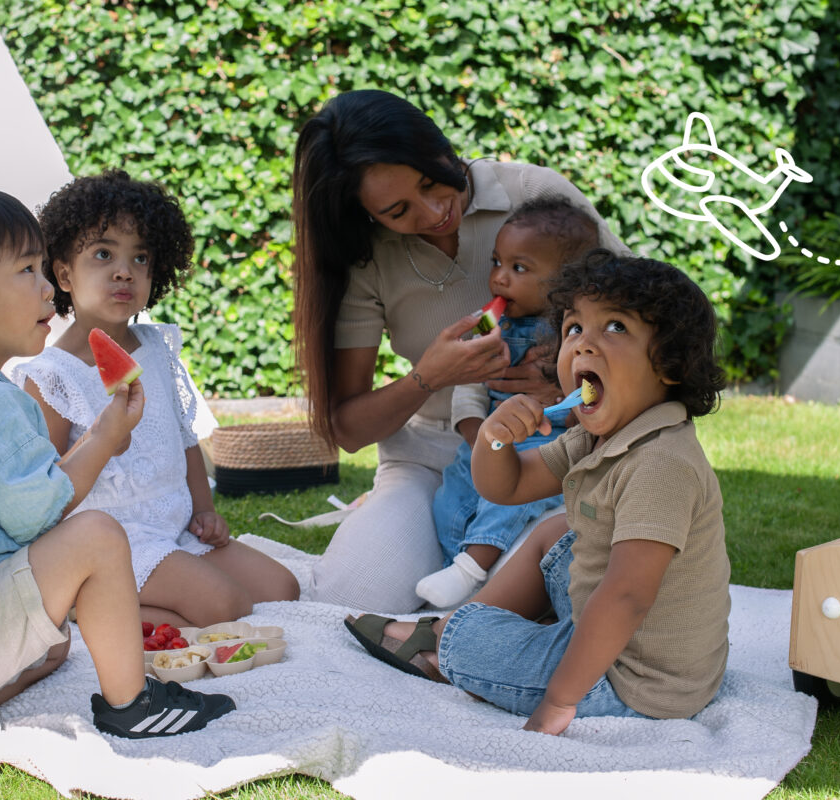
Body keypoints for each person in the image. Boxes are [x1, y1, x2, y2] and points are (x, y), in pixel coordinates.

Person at [0, 186, 235, 739]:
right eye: (28, 271)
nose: (48, 288)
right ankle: (132, 706)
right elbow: (42, 513)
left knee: (55, 646)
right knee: (97, 534)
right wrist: (104, 435)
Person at [344, 250, 731, 735]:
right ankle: (449, 626)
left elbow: (627, 596)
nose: (583, 345)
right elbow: (508, 486)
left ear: (670, 365)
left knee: (473, 641)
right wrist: (495, 438)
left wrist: (560, 700)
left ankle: (446, 644)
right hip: (614, 632)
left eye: (615, 327)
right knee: (555, 535)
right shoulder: (599, 437)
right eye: (574, 328)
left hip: (634, 683)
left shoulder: (660, 463)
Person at [292, 88, 627, 612]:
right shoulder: (366, 258)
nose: (433, 212)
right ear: (365, 215)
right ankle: (411, 534)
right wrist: (428, 377)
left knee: (539, 586)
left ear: (436, 145)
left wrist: (568, 378)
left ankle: (466, 580)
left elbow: (649, 315)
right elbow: (349, 430)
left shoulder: (532, 194)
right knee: (348, 596)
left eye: (431, 181)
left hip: (551, 449)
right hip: (430, 459)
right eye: (398, 210)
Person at [13, 170, 299, 628]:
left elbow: (183, 439)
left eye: (141, 257)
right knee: (226, 607)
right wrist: (103, 440)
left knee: (282, 588)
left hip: (175, 529)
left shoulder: (157, 348)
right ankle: (85, 604)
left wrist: (204, 512)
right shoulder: (51, 376)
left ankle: (141, 603)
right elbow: (46, 493)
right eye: (103, 254)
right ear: (64, 273)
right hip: (115, 541)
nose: (124, 270)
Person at [417, 197, 600, 608]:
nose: (499, 277)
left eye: (519, 268)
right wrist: (476, 434)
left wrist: (570, 407)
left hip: (547, 438)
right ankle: (456, 568)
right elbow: (470, 383)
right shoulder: (489, 322)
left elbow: (595, 390)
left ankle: (471, 568)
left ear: (566, 282)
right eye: (497, 262)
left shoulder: (580, 331)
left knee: (515, 499)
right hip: (490, 436)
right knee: (451, 499)